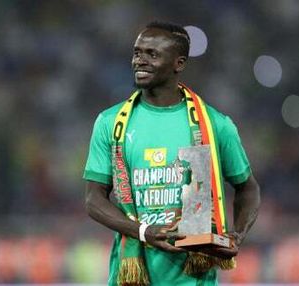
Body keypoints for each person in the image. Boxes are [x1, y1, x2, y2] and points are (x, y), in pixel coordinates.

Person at [83, 21, 260, 286]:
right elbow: (93, 199)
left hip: (192, 277)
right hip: (132, 276)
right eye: (137, 52)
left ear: (179, 64)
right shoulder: (110, 123)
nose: (139, 61)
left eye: (152, 54)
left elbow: (247, 188)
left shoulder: (214, 125)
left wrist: (237, 235)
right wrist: (142, 232)